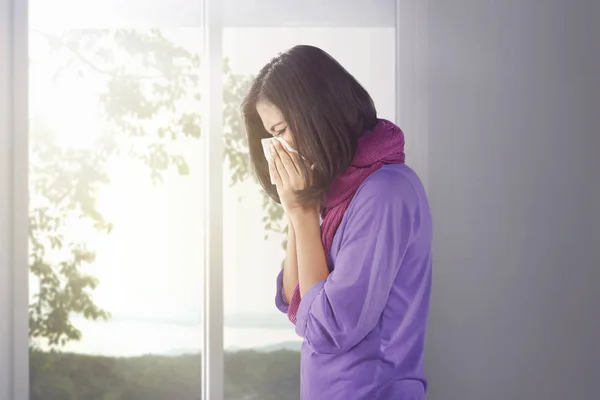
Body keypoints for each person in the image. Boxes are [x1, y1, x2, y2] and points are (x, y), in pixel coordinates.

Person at [241, 44, 433, 400]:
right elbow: (293, 298)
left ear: (316, 112)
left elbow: (327, 327)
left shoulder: (384, 193)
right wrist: (298, 210)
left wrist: (301, 213)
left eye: (281, 130)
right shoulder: (335, 194)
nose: (279, 149)